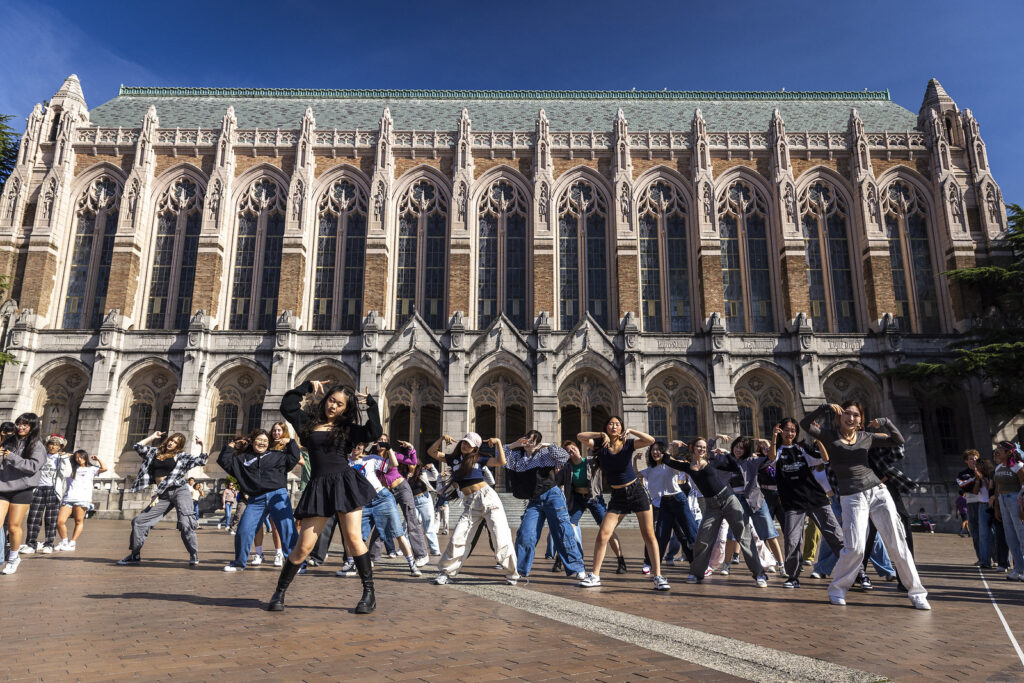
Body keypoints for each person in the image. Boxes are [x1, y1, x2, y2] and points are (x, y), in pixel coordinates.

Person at [800, 401, 928, 609]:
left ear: (861, 420)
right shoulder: (829, 436)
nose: (851, 418)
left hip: (878, 492)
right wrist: (824, 408)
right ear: (840, 416)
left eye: (856, 415)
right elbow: (805, 424)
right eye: (847, 414)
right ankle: (837, 589)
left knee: (897, 542)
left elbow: (898, 440)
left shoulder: (866, 437)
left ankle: (916, 592)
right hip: (852, 497)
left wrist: (885, 422)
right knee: (856, 547)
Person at [271, 379, 381, 613]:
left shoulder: (348, 429)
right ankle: (279, 592)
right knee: (303, 547)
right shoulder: (308, 424)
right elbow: (287, 406)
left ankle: (368, 593)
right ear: (325, 400)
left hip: (344, 483)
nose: (334, 407)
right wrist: (307, 387)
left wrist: (371, 404)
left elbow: (374, 432)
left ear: (346, 409)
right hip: (319, 487)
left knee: (353, 538)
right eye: (332, 400)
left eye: (340, 405)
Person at [576, 417, 668, 591]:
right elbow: (580, 436)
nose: (614, 426)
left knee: (649, 535)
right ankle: (595, 575)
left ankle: (658, 576)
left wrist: (632, 430)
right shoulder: (599, 445)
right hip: (617, 495)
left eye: (617, 424)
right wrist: (599, 434)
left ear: (621, 428)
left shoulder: (628, 443)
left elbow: (651, 441)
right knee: (603, 534)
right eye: (611, 423)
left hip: (636, 491)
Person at [665, 438, 767, 586]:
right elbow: (667, 460)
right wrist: (671, 446)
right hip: (711, 506)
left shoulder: (714, 461)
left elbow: (735, 465)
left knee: (744, 537)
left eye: (704, 447)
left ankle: (759, 574)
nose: (701, 449)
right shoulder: (688, 466)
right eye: (699, 446)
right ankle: (696, 573)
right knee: (703, 538)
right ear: (693, 448)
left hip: (728, 500)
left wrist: (726, 453)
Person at [428, 432, 519, 586]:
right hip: (470, 503)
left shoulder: (480, 458)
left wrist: (498, 443)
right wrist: (442, 438)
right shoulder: (454, 459)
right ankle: (445, 572)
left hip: (488, 498)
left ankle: (512, 574)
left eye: (469, 444)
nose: (464, 445)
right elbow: (432, 452)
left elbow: (501, 461)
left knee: (500, 535)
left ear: (475, 448)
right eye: (464, 442)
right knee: (458, 537)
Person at [768, 419, 844, 588]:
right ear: (780, 431)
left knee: (836, 536)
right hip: (793, 504)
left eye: (793, 430)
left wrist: (818, 438)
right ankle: (793, 577)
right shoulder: (778, 450)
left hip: (816, 499)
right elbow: (772, 459)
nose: (790, 433)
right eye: (786, 430)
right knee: (792, 541)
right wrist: (773, 437)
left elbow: (825, 458)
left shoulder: (802, 448)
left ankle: (857, 573)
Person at [117, 431, 208, 567]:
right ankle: (135, 554)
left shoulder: (181, 457)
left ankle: (193, 553)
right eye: (171, 440)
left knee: (185, 523)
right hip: (162, 494)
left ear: (179, 446)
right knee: (139, 522)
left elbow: (201, 460)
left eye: (176, 442)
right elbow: (138, 446)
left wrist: (202, 445)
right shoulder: (154, 452)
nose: (172, 442)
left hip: (179, 491)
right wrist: (153, 437)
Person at [504, 430, 586, 580]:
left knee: (563, 531)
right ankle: (520, 570)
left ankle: (577, 567)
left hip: (552, 496)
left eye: (532, 440)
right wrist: (515, 443)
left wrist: (547, 445)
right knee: (525, 534)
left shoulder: (544, 455)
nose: (528, 442)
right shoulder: (517, 457)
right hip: (534, 500)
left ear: (537, 443)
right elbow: (501, 456)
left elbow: (563, 457)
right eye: (527, 438)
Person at [217, 427, 301, 572]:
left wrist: (290, 442)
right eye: (259, 440)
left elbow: (294, 458)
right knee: (244, 529)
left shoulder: (278, 455)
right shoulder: (243, 459)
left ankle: (295, 564)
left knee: (287, 529)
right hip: (256, 499)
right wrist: (233, 444)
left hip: (277, 495)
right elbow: (224, 460)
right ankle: (239, 563)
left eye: (265, 440)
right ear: (252, 441)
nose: (262, 443)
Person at [348, 440, 422, 577]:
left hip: (382, 498)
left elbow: (394, 464)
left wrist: (390, 449)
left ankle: (412, 565)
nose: (355, 448)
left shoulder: (371, 459)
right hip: (363, 502)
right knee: (357, 536)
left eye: (359, 446)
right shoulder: (346, 463)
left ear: (364, 447)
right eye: (353, 446)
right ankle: (353, 565)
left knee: (398, 533)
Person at [558, 439, 628, 574]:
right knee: (568, 529)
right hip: (577, 499)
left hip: (594, 499)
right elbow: (556, 481)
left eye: (573, 448)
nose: (572, 452)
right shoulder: (567, 467)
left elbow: (607, 459)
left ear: (578, 448)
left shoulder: (591, 461)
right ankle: (562, 559)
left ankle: (621, 560)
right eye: (568, 451)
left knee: (608, 530)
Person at [717, 437, 785, 573]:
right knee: (733, 534)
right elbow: (710, 457)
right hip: (736, 500)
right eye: (736, 446)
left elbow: (771, 458)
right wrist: (715, 440)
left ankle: (781, 565)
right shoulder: (727, 460)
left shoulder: (753, 461)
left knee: (769, 533)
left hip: (755, 500)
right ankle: (726, 565)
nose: (738, 450)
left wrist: (771, 441)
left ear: (746, 450)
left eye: (741, 448)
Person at [366, 438, 430, 567]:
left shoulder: (393, 454)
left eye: (385, 441)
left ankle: (421, 555)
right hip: (385, 492)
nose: (382, 443)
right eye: (380, 440)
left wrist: (411, 448)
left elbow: (413, 461)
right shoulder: (370, 458)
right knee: (381, 522)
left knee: (411, 519)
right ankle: (372, 557)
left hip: (401, 488)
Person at [639, 441, 697, 575]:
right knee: (660, 536)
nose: (655, 452)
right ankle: (652, 565)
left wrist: (670, 448)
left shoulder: (671, 466)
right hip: (663, 504)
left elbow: (680, 465)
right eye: (653, 450)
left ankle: (697, 565)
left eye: (659, 450)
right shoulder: (650, 469)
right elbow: (637, 474)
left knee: (690, 533)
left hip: (678, 500)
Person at [0, 413, 46, 574]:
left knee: (13, 527)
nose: (20, 427)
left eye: (25, 424)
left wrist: (12, 457)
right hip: (3, 487)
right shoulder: (9, 441)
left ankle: (13, 558)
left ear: (32, 427)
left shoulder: (37, 445)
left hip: (22, 489)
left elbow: (33, 466)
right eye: (19, 423)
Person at [21, 434, 73, 555]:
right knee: (33, 518)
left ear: (60, 447)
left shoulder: (61, 458)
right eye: (51, 444)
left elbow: (67, 473)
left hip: (53, 490)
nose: (53, 447)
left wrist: (65, 458)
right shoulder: (41, 456)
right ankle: (31, 544)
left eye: (56, 445)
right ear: (47, 444)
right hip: (38, 489)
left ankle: (49, 544)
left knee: (51, 519)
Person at [56, 449, 108, 551]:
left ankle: (72, 543)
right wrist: (68, 455)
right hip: (68, 497)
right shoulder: (70, 468)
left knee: (78, 521)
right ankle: (64, 541)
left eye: (81, 457)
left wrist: (98, 459)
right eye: (77, 458)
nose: (79, 459)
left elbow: (105, 468)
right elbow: (61, 459)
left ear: (85, 457)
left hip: (82, 498)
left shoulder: (91, 469)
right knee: (59, 521)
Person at [991, 441, 1024, 580]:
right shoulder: (998, 468)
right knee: (1010, 536)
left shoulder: (1019, 467)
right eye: (997, 448)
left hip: (1015, 499)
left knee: (1021, 534)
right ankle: (1018, 569)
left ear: (1009, 452)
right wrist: (997, 506)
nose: (997, 450)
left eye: (1000, 448)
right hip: (1003, 501)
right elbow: (998, 489)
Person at [957, 449, 995, 568]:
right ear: (966, 461)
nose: (973, 460)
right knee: (976, 532)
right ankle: (982, 558)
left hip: (986, 502)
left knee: (992, 532)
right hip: (973, 503)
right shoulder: (963, 474)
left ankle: (997, 558)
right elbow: (967, 488)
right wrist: (976, 478)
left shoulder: (987, 471)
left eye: (975, 458)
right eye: (970, 459)